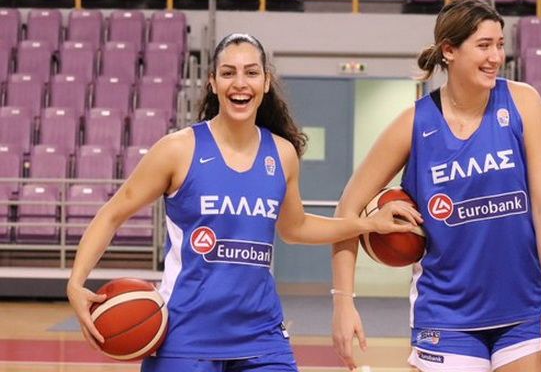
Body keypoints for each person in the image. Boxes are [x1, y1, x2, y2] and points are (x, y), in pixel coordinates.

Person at [66, 33, 422, 372]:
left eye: (251, 73)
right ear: (212, 82)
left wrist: (367, 223)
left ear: (266, 82)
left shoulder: (282, 154)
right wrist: (76, 282)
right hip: (185, 333)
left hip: (261, 333)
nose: (240, 83)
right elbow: (112, 214)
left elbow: (296, 227)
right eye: (228, 73)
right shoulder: (178, 149)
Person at [331, 0, 541, 372]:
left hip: (525, 308)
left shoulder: (524, 103)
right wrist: (343, 302)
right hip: (445, 315)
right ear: (449, 50)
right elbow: (347, 208)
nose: (496, 57)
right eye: (484, 45)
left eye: (500, 44)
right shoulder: (414, 124)